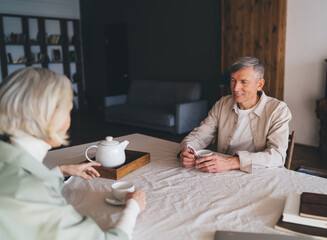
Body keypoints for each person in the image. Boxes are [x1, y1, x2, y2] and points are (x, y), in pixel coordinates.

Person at [0, 67, 146, 239]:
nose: (69, 119)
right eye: (68, 110)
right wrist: (133, 207)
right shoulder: (31, 193)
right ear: (50, 115)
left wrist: (60, 171)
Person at [179, 56, 292, 173]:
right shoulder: (223, 104)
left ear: (259, 84)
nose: (236, 88)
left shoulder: (278, 110)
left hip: (262, 173)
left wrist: (231, 162)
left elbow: (277, 156)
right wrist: (188, 148)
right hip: (224, 173)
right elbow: (200, 135)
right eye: (233, 80)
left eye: (244, 82)